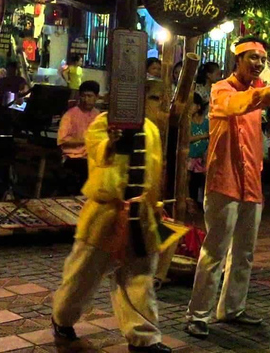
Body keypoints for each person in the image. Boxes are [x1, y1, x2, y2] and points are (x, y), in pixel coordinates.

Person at [185, 37, 270, 338]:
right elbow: (237, 105)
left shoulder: (257, 92)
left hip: (251, 183)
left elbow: (266, 100)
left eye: (262, 59)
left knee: (244, 252)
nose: (258, 64)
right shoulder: (222, 90)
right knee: (215, 251)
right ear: (238, 60)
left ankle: (232, 308)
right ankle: (198, 314)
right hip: (224, 181)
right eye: (253, 58)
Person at [51, 81, 171, 352]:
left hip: (140, 217)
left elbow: (152, 174)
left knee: (138, 277)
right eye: (152, 97)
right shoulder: (102, 124)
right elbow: (96, 152)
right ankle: (62, 319)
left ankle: (143, 338)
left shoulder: (151, 129)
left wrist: (155, 208)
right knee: (82, 275)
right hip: (105, 214)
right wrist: (113, 143)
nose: (155, 104)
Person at [57, 81, 101, 193]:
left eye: (90, 96)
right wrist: (86, 141)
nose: (86, 99)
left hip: (93, 157)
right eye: (83, 96)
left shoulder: (98, 115)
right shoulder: (70, 115)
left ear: (96, 97)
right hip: (74, 157)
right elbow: (62, 140)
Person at [188, 93, 209, 210]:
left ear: (198, 106)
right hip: (190, 158)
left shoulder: (206, 122)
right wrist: (204, 135)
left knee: (201, 182)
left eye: (192, 104)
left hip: (203, 157)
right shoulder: (187, 122)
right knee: (192, 183)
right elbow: (187, 138)